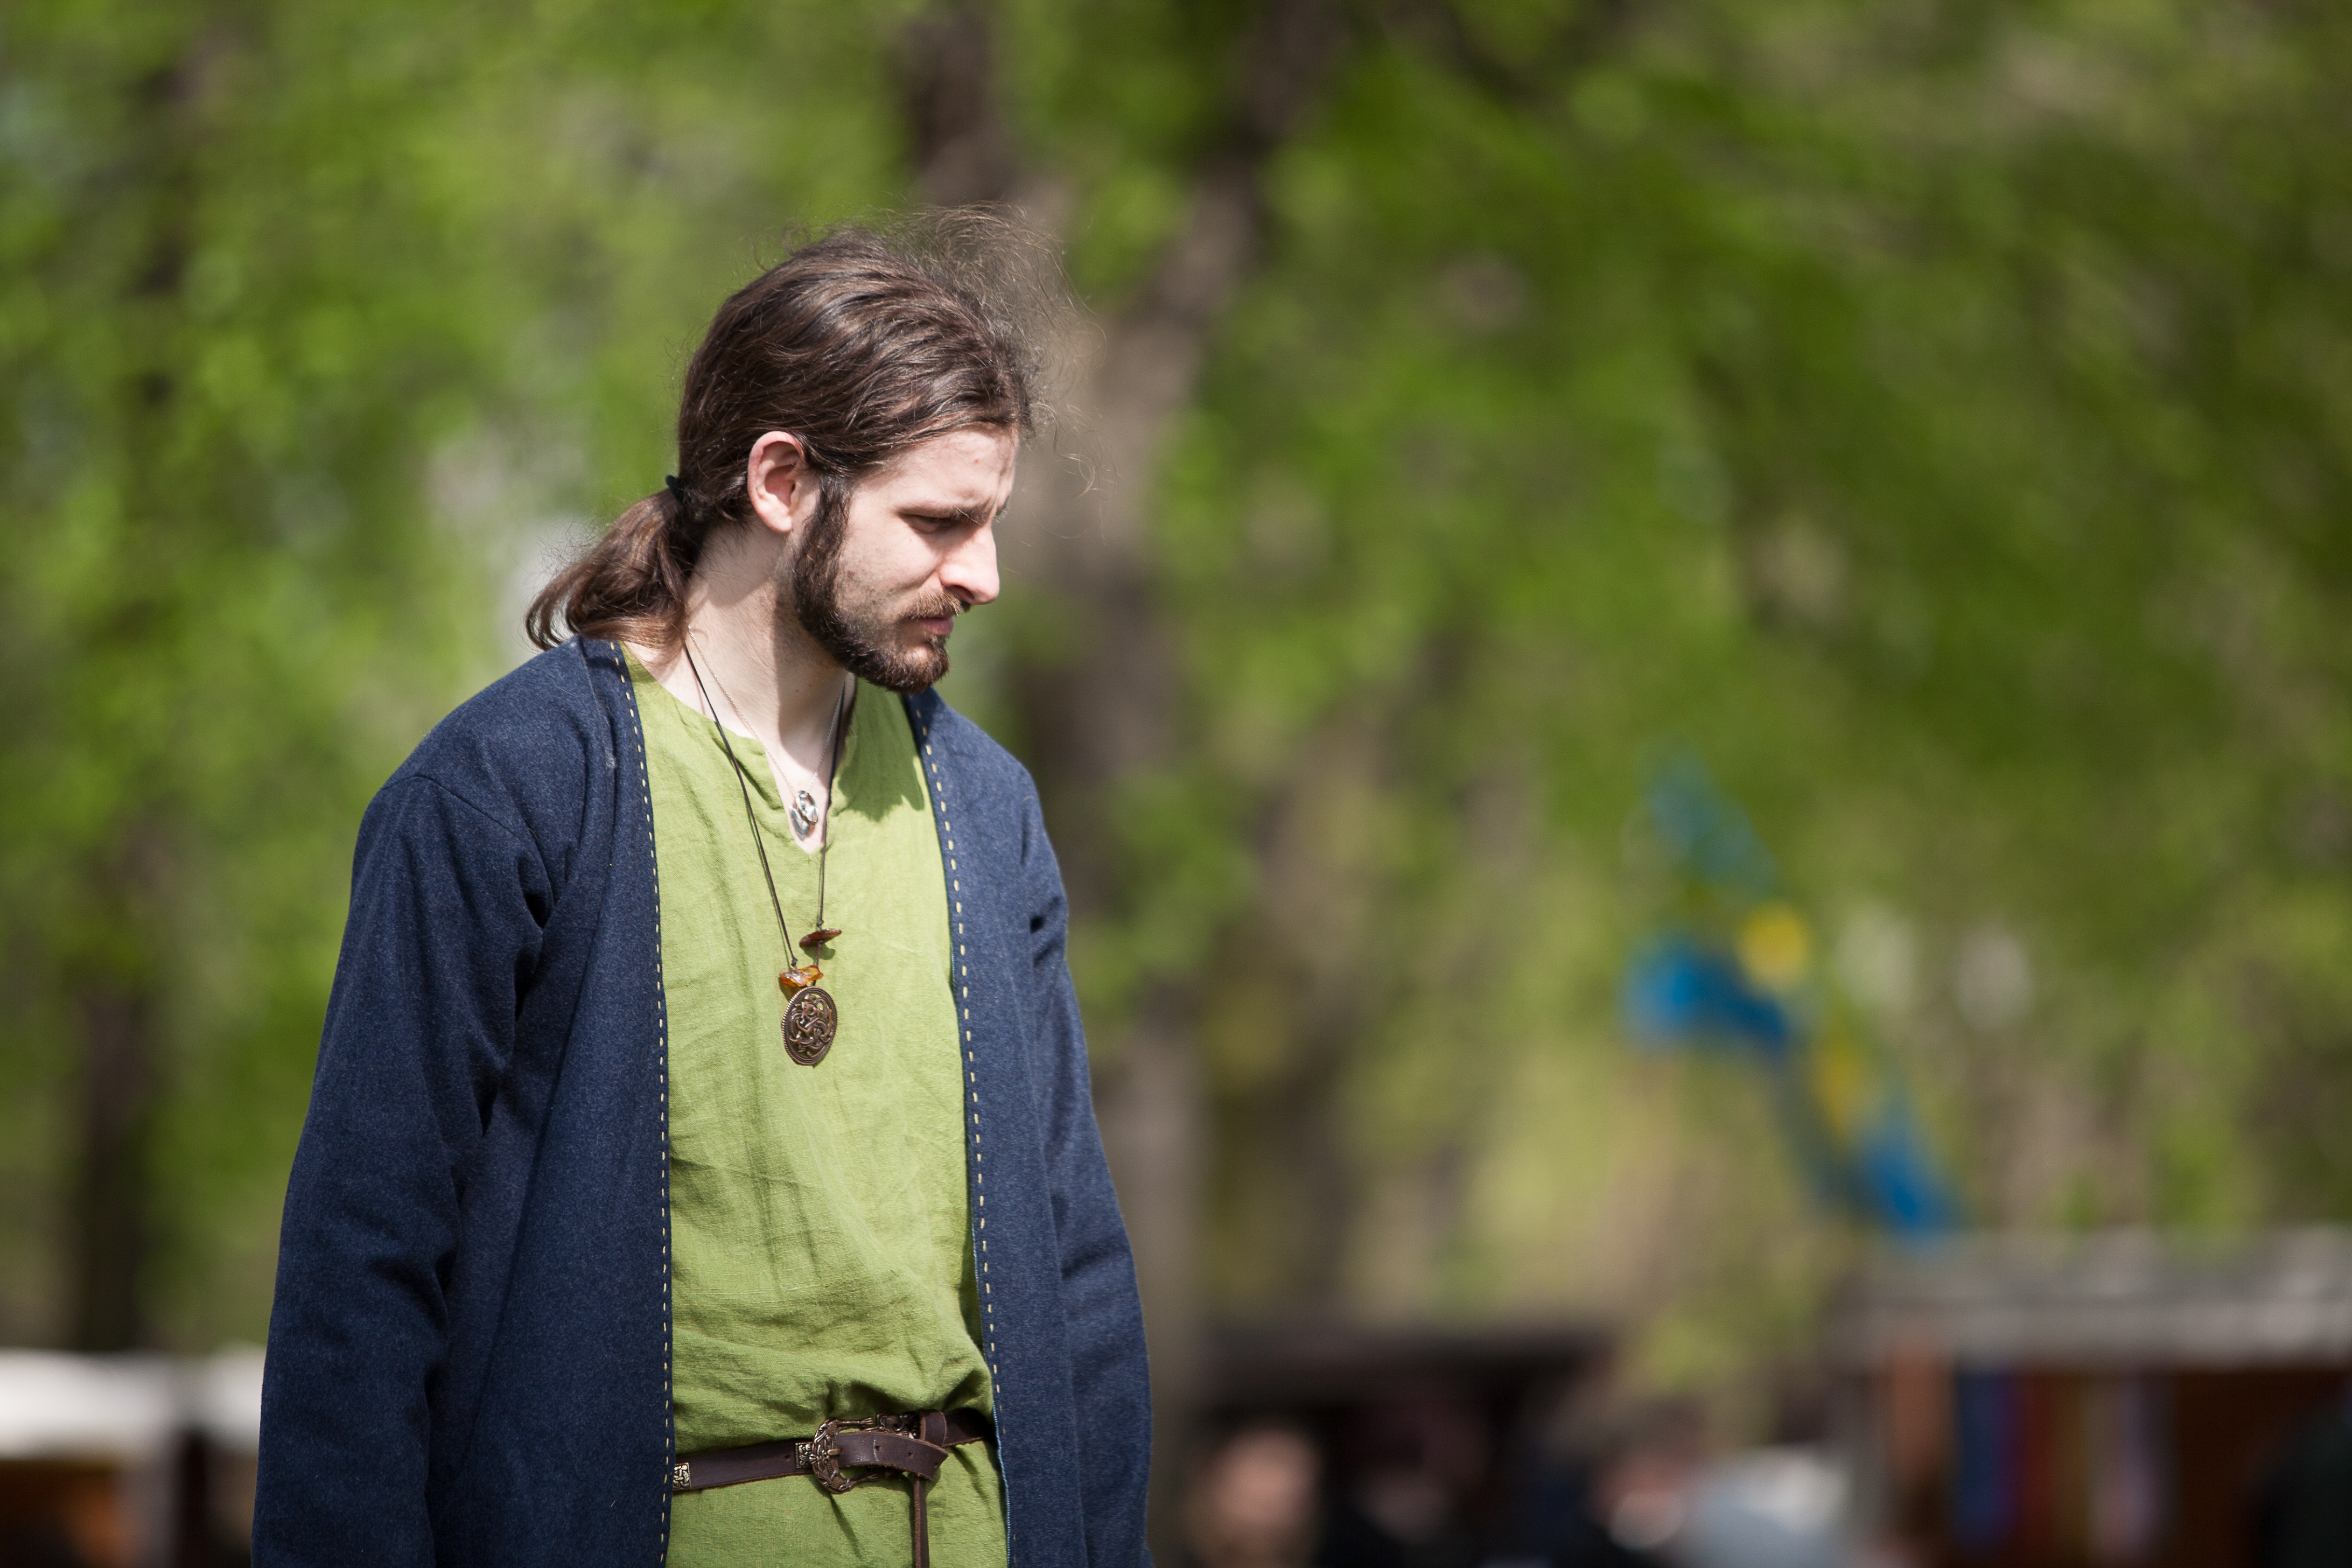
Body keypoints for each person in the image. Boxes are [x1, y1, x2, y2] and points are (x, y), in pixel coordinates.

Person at [253, 217, 1151, 1568]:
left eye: (992, 523)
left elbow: (1078, 1276)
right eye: (939, 521)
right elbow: (362, 1272)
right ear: (783, 480)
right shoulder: (509, 789)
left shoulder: (989, 812)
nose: (984, 574)